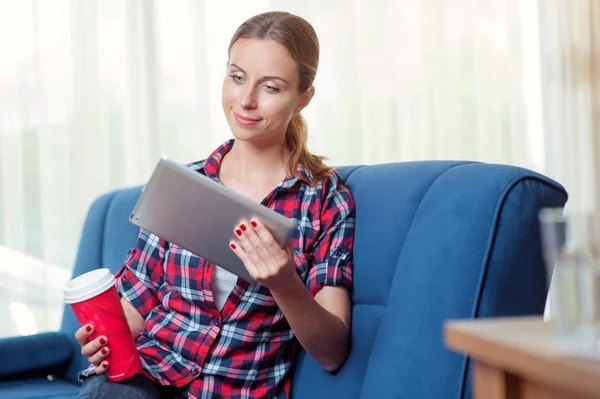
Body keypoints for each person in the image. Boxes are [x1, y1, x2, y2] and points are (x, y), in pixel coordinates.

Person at [76, 11, 355, 399]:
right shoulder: (184, 186)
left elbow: (332, 353)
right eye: (237, 77)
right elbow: (136, 305)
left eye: (271, 87)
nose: (246, 100)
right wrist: (103, 340)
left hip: (235, 390)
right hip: (147, 378)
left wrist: (283, 283)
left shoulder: (323, 199)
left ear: (303, 98)